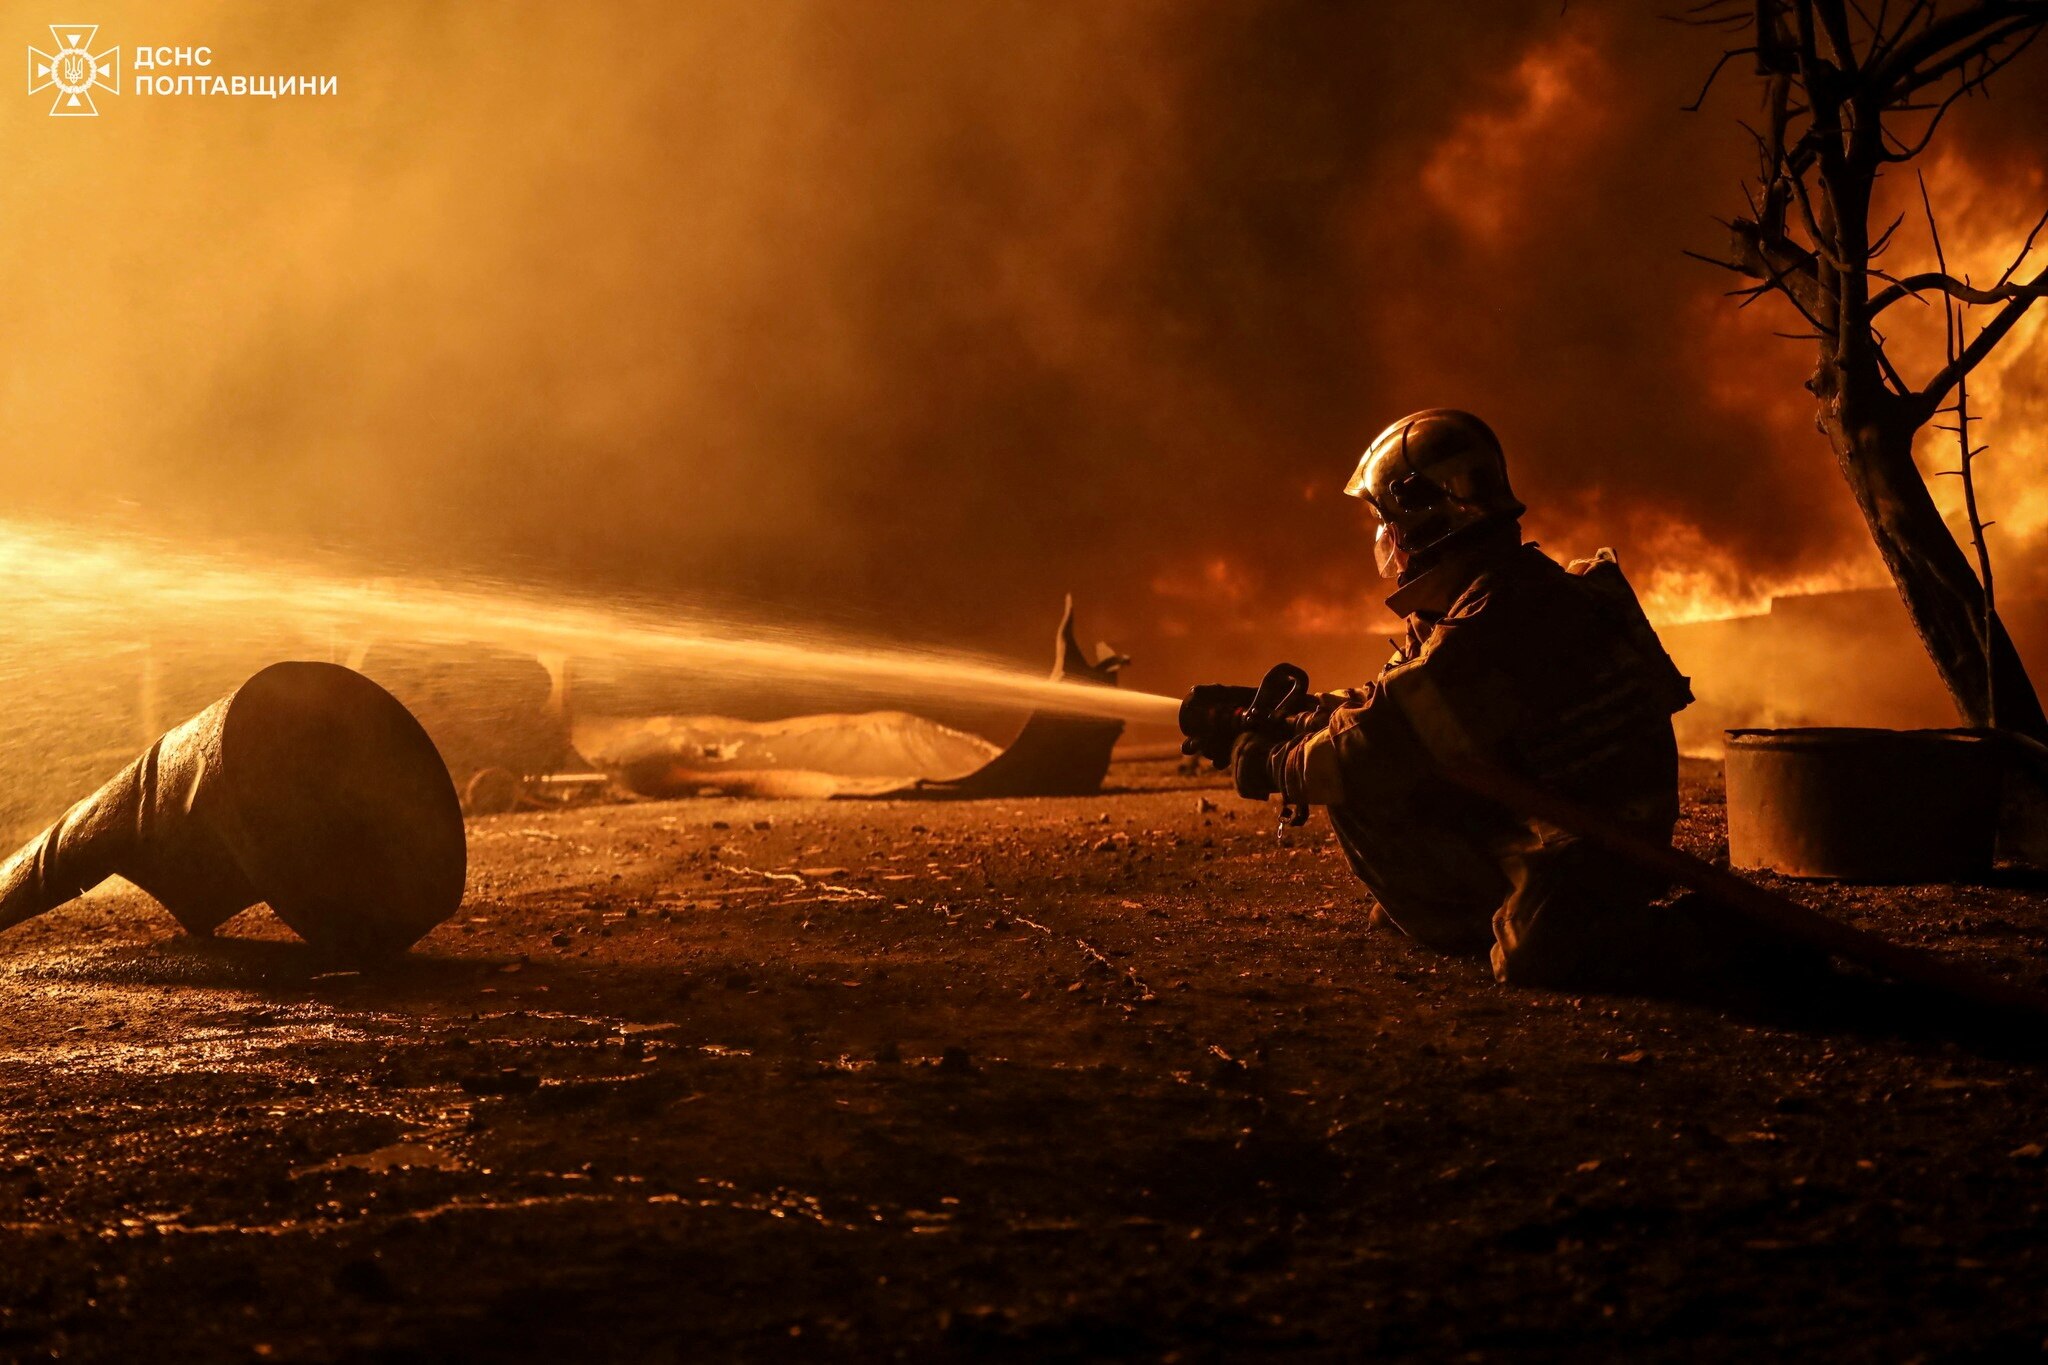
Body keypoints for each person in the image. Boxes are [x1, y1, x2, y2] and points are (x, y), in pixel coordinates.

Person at [1228, 409, 1705, 988]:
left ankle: (1694, 936)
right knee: (1373, 769)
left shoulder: (1502, 613)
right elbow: (1398, 701)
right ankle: (1460, 911)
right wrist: (1304, 715)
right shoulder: (1499, 590)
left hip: (1593, 843)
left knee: (1532, 957)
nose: (1388, 543)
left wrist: (1274, 764)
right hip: (1569, 820)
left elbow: (1383, 740)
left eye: (1388, 525)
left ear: (1424, 520)